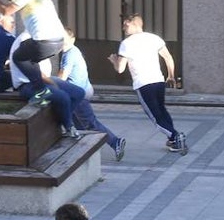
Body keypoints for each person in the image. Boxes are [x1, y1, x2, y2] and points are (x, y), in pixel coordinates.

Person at [109, 14, 187, 154]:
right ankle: (173, 139)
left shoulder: (126, 43)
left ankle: (176, 136)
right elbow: (168, 57)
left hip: (143, 83)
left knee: (155, 116)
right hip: (158, 80)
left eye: (126, 25)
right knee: (162, 110)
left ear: (136, 24)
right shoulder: (154, 38)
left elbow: (120, 69)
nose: (124, 28)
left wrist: (114, 60)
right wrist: (171, 75)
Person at [57, 27, 126, 161]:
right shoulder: (72, 52)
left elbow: (62, 77)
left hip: (78, 95)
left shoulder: (70, 54)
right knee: (77, 124)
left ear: (72, 39)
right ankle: (81, 150)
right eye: (60, 39)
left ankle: (115, 142)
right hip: (78, 93)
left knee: (89, 123)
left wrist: (50, 83)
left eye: (64, 39)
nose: (62, 42)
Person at [9, 32, 81, 137]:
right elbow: (33, 70)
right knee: (63, 97)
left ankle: (60, 122)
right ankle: (68, 127)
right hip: (28, 84)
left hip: (44, 80)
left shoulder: (41, 38)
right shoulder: (26, 39)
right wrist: (52, 83)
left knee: (78, 93)